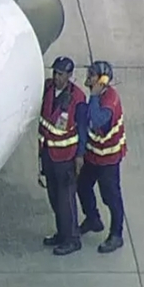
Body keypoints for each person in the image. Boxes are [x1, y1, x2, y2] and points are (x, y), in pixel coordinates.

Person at [37, 56, 88, 256]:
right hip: (49, 154)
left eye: (61, 74)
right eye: (55, 73)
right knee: (54, 198)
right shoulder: (48, 90)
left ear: (69, 76)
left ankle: (72, 238)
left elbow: (82, 130)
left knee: (66, 199)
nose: (57, 77)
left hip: (66, 157)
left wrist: (79, 156)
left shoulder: (78, 99)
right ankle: (62, 233)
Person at [77, 60, 127, 254]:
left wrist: (95, 95)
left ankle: (116, 234)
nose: (88, 77)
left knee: (111, 196)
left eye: (92, 75)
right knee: (82, 185)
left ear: (102, 80)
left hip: (108, 159)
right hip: (93, 155)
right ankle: (92, 218)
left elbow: (97, 119)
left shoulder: (109, 102)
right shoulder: (95, 98)